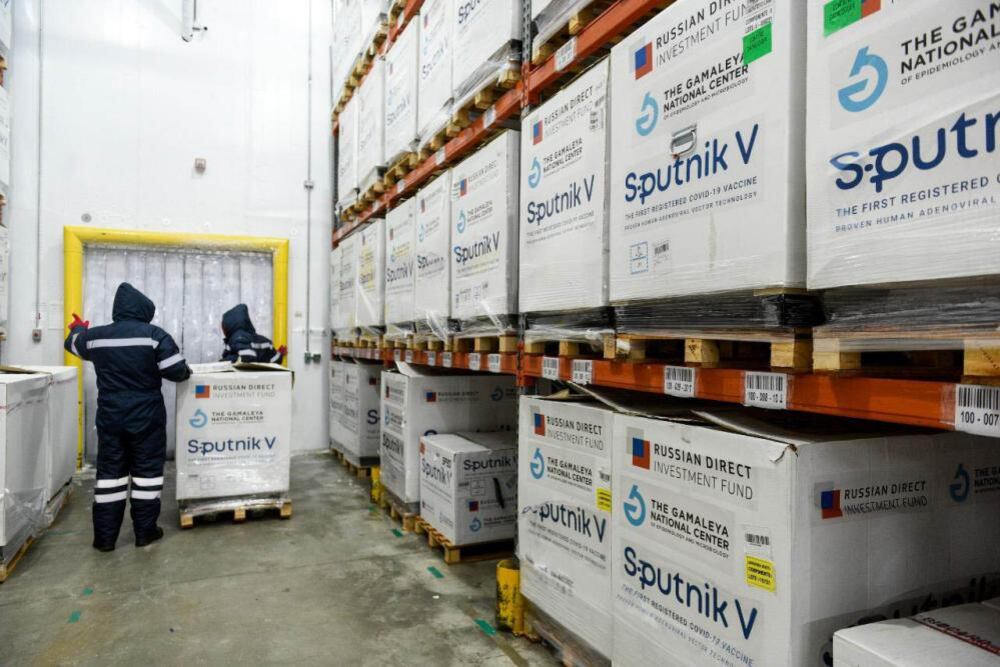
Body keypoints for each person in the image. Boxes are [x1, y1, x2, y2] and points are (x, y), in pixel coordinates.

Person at [65, 282, 191, 551]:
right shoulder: (154, 336)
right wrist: (186, 371)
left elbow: (72, 344)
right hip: (146, 417)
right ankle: (145, 532)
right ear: (145, 311)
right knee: (147, 475)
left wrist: (78, 329)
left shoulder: (96, 337)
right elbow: (177, 371)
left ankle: (105, 539)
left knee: (110, 475)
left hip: (110, 417)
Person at [220, 303, 285, 364]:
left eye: (223, 326)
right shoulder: (263, 341)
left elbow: (247, 357)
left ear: (229, 326)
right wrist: (280, 354)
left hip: (248, 372)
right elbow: (276, 360)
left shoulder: (238, 337)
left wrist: (224, 362)